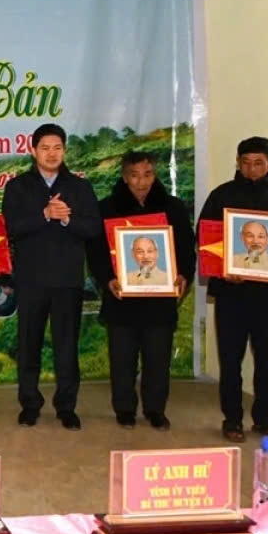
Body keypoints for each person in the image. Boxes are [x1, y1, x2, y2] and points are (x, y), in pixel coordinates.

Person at [198, 136, 268, 444]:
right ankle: (232, 419)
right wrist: (224, 268)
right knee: (230, 360)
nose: (251, 170)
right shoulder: (220, 197)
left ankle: (264, 420)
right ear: (237, 163)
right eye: (245, 163)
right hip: (231, 297)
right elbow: (205, 242)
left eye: (258, 163)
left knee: (266, 363)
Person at [85, 151, 195, 432]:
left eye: (147, 174)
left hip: (160, 300)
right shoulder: (107, 208)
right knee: (122, 359)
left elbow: (185, 249)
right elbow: (96, 253)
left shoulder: (173, 208)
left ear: (155, 175)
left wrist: (183, 274)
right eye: (135, 175)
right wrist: (108, 279)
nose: (141, 181)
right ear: (124, 177)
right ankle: (124, 409)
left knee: (158, 359)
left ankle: (155, 410)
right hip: (122, 298)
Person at [2, 123, 100, 431]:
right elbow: (12, 228)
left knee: (66, 348)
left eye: (57, 148)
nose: (51, 153)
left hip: (67, 281)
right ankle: (30, 404)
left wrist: (67, 218)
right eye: (45, 148)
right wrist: (44, 215)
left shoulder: (80, 188)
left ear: (65, 151)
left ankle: (66, 407)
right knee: (28, 345)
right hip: (31, 279)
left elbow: (94, 229)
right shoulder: (18, 186)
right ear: (33, 150)